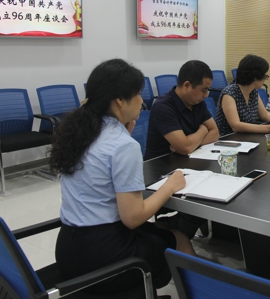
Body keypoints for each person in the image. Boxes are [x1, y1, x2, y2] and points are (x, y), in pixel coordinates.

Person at [49, 59, 192, 297]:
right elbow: (133, 217)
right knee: (178, 238)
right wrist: (170, 185)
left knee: (160, 229)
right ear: (119, 101)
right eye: (137, 94)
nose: (142, 101)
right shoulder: (122, 145)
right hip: (105, 258)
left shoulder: (78, 131)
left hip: (69, 250)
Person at [144, 60, 219, 160]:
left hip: (188, 160)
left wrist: (191, 144)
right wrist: (204, 129)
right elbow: (186, 148)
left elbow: (215, 132)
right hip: (162, 165)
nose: (206, 95)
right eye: (203, 90)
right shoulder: (163, 107)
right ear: (186, 85)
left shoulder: (198, 102)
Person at [216, 54, 270, 136]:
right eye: (264, 76)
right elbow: (236, 126)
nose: (265, 80)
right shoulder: (229, 93)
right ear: (255, 77)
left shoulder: (253, 92)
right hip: (229, 139)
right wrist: (268, 128)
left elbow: (265, 115)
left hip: (247, 136)